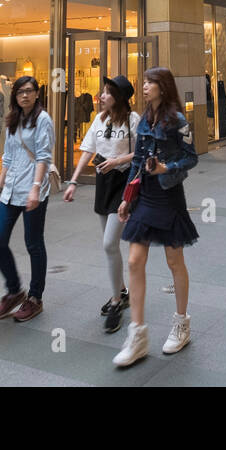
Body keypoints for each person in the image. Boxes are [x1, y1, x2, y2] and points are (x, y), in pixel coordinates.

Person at [113, 68, 200, 368]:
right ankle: (137, 335)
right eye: (144, 82)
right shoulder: (143, 119)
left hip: (168, 195)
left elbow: (192, 157)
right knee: (135, 260)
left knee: (174, 261)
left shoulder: (177, 119)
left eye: (150, 82)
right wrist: (127, 198)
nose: (145, 86)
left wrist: (166, 167)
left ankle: (182, 324)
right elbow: (137, 160)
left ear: (163, 87)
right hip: (145, 197)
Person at [63, 75, 139, 334]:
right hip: (103, 184)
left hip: (123, 184)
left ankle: (117, 301)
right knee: (111, 247)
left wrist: (117, 161)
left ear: (118, 98)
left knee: (109, 243)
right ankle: (122, 291)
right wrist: (73, 181)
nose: (101, 96)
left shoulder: (133, 120)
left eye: (107, 93)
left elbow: (142, 153)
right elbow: (88, 150)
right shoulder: (99, 119)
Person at [0, 75, 54, 323]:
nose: (24, 95)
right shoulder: (12, 120)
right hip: (10, 190)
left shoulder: (43, 120)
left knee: (33, 243)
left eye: (29, 91)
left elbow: (43, 157)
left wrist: (36, 188)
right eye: (20, 92)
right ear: (15, 96)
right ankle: (15, 290)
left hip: (32, 189)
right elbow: (7, 157)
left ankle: (35, 298)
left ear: (37, 94)